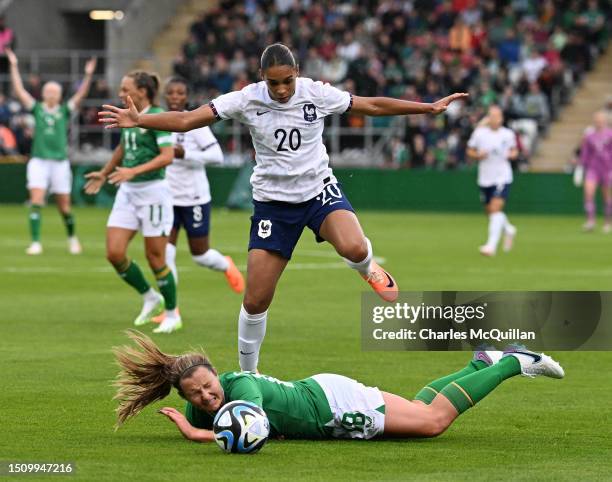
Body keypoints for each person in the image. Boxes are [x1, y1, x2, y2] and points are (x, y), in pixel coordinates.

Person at [99, 43, 468, 370]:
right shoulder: (246, 99)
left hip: (318, 191)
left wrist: (427, 108)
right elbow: (186, 119)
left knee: (354, 247)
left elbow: (369, 105)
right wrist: (140, 119)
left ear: (297, 74)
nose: (281, 89)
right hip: (274, 205)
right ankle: (249, 374)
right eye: (273, 82)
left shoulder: (315, 93)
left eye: (287, 81)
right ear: (262, 78)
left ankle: (369, 268)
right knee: (256, 300)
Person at [113, 331, 564, 442]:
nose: (208, 398)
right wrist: (197, 423)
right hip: (322, 394)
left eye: (209, 386)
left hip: (329, 405)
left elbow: (249, 431)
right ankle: (479, 362)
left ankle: (511, 362)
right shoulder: (200, 405)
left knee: (432, 423)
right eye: (197, 395)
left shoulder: (239, 387)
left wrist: (196, 435)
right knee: (416, 407)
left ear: (218, 374)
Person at [84, 71, 180, 334]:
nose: (119, 92)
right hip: (128, 191)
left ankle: (172, 314)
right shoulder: (128, 112)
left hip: (153, 192)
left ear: (141, 91)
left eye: (125, 87)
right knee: (114, 253)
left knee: (155, 257)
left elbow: (167, 156)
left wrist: (132, 172)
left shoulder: (157, 114)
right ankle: (150, 296)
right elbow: (124, 147)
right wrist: (105, 172)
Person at [161, 77, 244, 320]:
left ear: (186, 97)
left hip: (194, 197)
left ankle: (226, 265)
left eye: (180, 93)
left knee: (200, 254)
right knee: (166, 253)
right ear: (165, 97)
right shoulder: (160, 121)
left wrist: (184, 153)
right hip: (167, 198)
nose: (175, 97)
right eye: (171, 93)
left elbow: (217, 156)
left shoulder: (194, 122)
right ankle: (171, 309)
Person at [7, 48, 96, 255]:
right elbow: (20, 90)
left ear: (59, 95)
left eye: (54, 92)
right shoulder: (37, 108)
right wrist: (13, 65)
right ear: (44, 94)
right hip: (39, 161)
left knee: (64, 206)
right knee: (36, 200)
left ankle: (72, 238)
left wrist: (89, 74)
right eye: (48, 91)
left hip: (59, 162)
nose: (51, 95)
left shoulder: (65, 110)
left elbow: (81, 94)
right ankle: (36, 242)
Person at [467, 105, 519, 257]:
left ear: (501, 118)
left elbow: (514, 151)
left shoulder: (507, 134)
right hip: (485, 178)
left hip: (502, 176)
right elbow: (469, 150)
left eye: (498, 116)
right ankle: (509, 229)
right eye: (492, 116)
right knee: (490, 212)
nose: (495, 119)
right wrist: (477, 155)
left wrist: (512, 155)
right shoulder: (480, 133)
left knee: (496, 209)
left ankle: (491, 246)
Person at [577, 111, 612, 232]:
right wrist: (580, 167)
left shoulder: (610, 134)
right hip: (593, 168)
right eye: (597, 120)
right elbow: (585, 153)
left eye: (601, 120)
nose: (599, 122)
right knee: (588, 193)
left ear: (606, 121)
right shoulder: (589, 136)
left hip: (607, 168)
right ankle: (590, 221)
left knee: (606, 196)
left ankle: (608, 222)